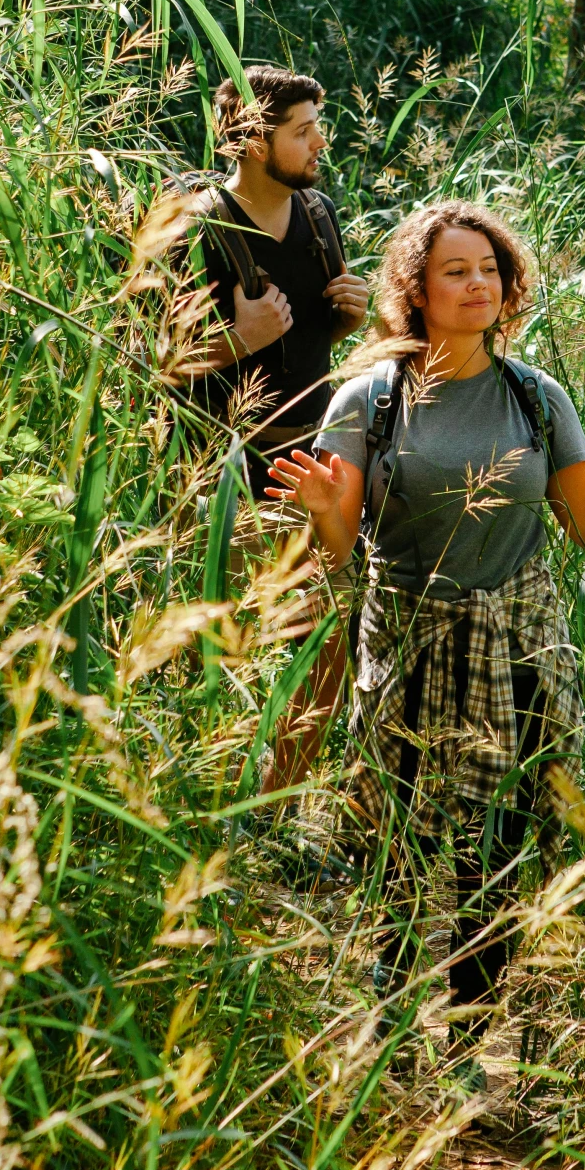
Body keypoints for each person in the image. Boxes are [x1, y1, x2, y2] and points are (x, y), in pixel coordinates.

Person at [265, 199, 585, 1089]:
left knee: (499, 849)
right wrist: (320, 512)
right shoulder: (368, 397)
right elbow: (341, 551)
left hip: (523, 643)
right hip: (409, 640)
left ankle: (466, 1051)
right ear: (415, 288)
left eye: (488, 270)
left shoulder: (535, 394)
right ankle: (389, 1036)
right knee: (404, 846)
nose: (476, 285)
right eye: (455, 271)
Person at [181, 64, 370, 790]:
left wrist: (347, 318)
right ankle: (226, 812)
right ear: (255, 141)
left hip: (312, 474)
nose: (319, 142)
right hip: (226, 481)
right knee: (238, 656)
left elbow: (313, 343)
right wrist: (234, 340)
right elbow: (140, 362)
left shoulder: (317, 214)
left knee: (325, 648)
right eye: (303, 130)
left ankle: (274, 809)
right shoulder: (197, 227)